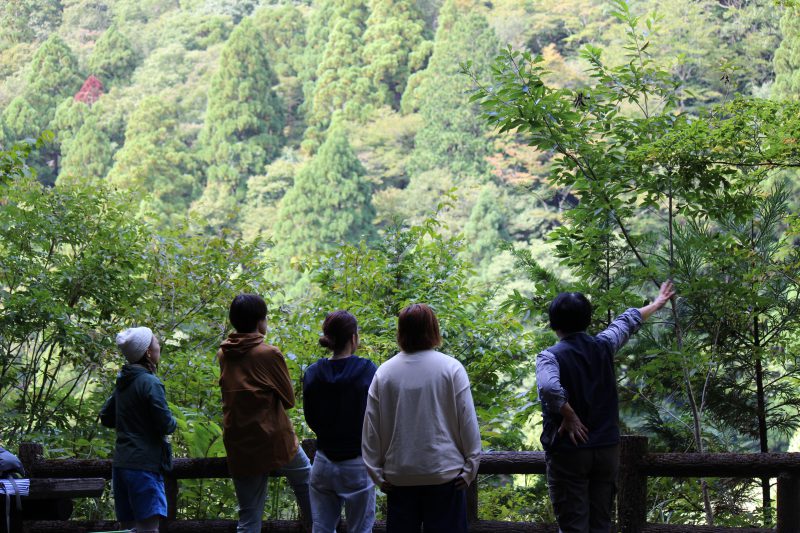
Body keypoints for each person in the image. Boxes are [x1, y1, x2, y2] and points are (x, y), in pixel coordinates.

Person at [536, 280, 676, 533]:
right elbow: (627, 322)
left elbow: (548, 388)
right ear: (588, 319)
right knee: (601, 522)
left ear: (553, 323)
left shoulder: (550, 356)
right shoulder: (603, 346)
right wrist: (656, 304)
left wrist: (568, 415)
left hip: (571, 451)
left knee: (573, 526)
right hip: (607, 450)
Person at [362, 303, 482, 533]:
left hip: (399, 478)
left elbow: (371, 429)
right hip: (445, 475)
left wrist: (376, 473)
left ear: (401, 332)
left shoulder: (385, 373)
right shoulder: (451, 369)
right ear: (434, 329)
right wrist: (470, 468)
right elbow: (468, 422)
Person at [217, 294, 312, 533]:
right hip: (275, 439)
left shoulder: (224, 354)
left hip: (240, 442)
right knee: (308, 483)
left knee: (249, 518)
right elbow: (288, 400)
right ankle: (317, 527)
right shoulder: (268, 353)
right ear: (260, 321)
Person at [303, 310, 377, 533]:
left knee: (322, 528)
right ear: (354, 338)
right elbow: (376, 417)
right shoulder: (367, 370)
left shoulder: (313, 373)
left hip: (323, 462)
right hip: (358, 463)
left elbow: (311, 418)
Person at [100, 326, 177, 533]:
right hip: (144, 466)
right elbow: (166, 424)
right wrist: (173, 421)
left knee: (128, 528)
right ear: (148, 353)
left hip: (122, 465)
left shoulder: (123, 382)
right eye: (156, 343)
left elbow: (106, 417)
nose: (159, 346)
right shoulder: (150, 383)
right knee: (148, 529)